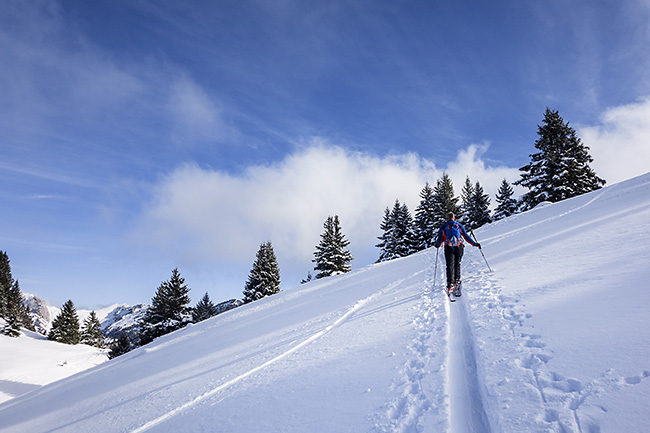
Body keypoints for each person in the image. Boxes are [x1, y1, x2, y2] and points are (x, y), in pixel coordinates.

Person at [434, 212, 481, 295]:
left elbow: (440, 238)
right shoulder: (459, 226)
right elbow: (466, 236)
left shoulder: (444, 227)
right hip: (459, 247)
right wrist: (475, 244)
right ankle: (457, 280)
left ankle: (450, 284)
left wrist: (437, 245)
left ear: (446, 219)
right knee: (457, 264)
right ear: (454, 218)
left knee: (450, 265)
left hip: (448, 248)